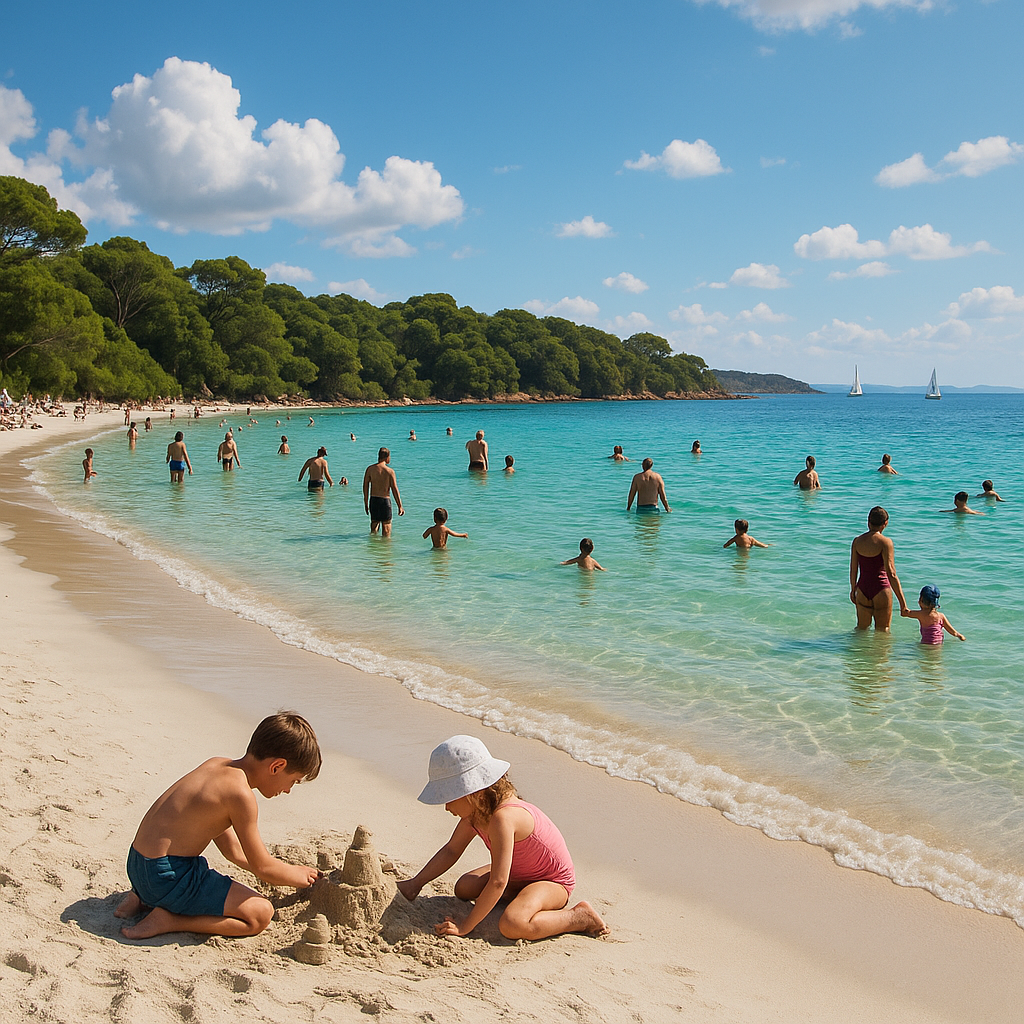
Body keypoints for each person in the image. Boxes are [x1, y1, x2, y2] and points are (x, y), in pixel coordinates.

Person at [115, 712, 321, 940]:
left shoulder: (215, 764)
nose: (289, 789)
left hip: (137, 865)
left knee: (188, 868)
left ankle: (141, 898)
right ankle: (170, 919)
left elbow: (233, 851)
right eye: (293, 780)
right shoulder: (240, 796)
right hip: (165, 878)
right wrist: (299, 875)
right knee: (261, 915)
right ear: (277, 766)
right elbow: (264, 868)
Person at [397, 735, 607, 940]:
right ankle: (516, 892)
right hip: (519, 873)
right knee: (463, 888)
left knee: (512, 923)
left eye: (449, 798)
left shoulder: (503, 818)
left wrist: (465, 926)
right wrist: (415, 884)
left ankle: (578, 917)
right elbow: (452, 850)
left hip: (552, 881)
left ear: (473, 792)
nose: (446, 807)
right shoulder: (476, 814)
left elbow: (498, 882)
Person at [850, 506, 907, 630]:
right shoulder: (885, 542)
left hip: (862, 589)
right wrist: (903, 604)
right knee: (883, 630)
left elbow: (853, 569)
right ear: (885, 523)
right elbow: (891, 573)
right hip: (881, 590)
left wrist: (853, 589)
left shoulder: (857, 541)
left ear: (868, 522)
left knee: (861, 629)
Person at [900, 585, 965, 644]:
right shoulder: (941, 616)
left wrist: (903, 605)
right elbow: (952, 631)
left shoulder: (920, 614)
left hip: (925, 644)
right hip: (938, 645)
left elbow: (904, 613)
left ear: (921, 599)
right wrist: (959, 635)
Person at [363, 447, 404, 536]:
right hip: (385, 501)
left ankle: (373, 548)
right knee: (386, 528)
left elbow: (365, 487)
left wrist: (366, 503)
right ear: (387, 457)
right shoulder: (390, 471)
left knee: (374, 527)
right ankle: (386, 549)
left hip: (373, 500)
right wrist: (400, 506)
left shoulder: (370, 469)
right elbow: (394, 489)